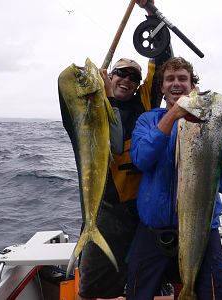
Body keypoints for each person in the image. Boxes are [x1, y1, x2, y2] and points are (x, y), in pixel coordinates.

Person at [76, 1, 173, 299]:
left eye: (134, 77)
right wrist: (99, 90)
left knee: (145, 280)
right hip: (105, 209)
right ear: (110, 75)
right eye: (121, 73)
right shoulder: (92, 103)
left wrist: (152, 14)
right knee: (93, 282)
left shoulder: (144, 102)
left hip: (142, 210)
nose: (127, 80)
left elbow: (161, 57)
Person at [127, 57, 222, 300]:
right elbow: (142, 159)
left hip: (203, 232)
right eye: (170, 79)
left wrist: (211, 144)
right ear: (163, 87)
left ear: (192, 86)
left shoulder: (212, 125)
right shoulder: (148, 120)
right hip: (154, 229)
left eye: (182, 79)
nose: (176, 84)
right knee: (136, 293)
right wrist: (172, 116)